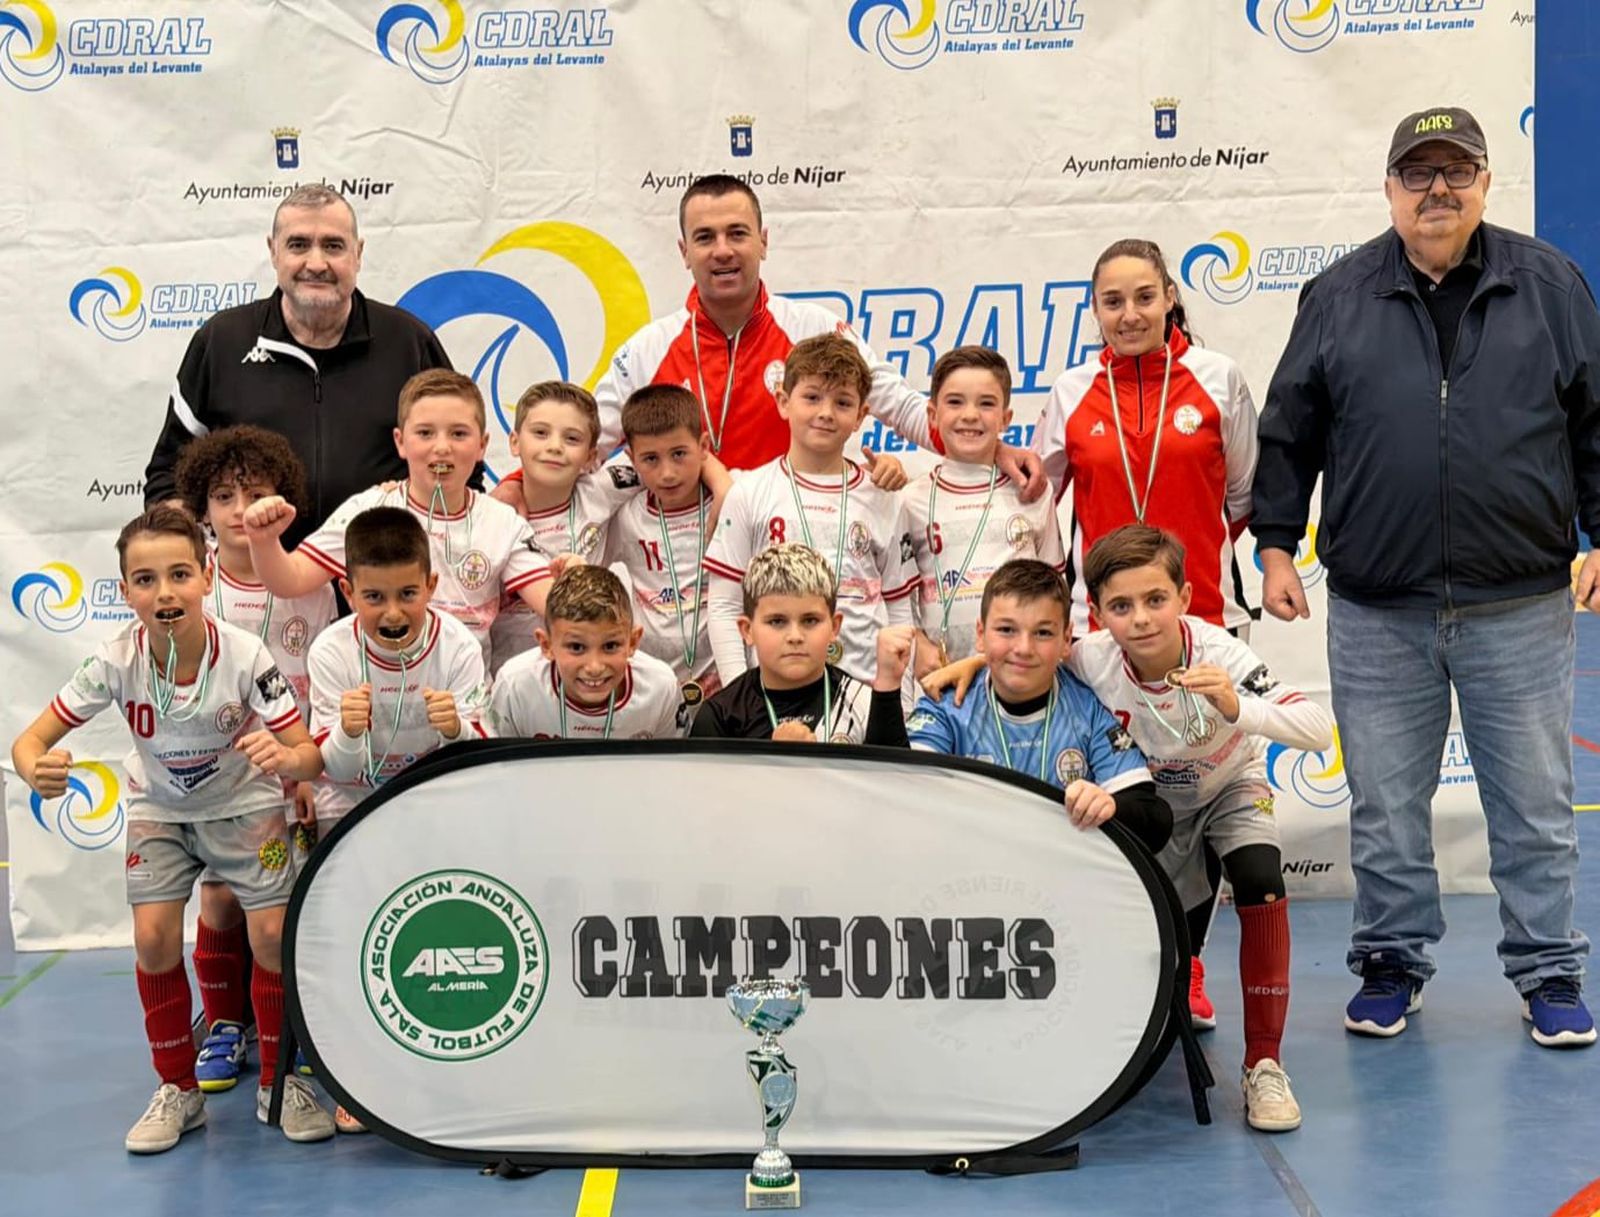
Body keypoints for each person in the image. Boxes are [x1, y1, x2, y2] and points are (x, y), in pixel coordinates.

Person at [1252, 105, 1599, 1047]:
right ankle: (1392, 963)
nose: (1438, 189)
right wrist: (1276, 543)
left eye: (1458, 171)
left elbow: (1595, 419)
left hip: (1519, 601)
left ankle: (1550, 970)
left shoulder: (1551, 284)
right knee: (1387, 805)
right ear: (1391, 187)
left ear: (1486, 183)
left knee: (1531, 803)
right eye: (1419, 173)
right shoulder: (1337, 293)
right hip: (1376, 606)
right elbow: (1289, 431)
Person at [9, 506, 334, 1151]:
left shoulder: (246, 655)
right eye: (146, 579)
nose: (165, 593)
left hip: (245, 810)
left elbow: (308, 753)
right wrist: (36, 770)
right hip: (162, 812)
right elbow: (30, 741)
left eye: (179, 574)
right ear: (125, 590)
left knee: (271, 934)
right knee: (154, 938)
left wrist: (286, 759)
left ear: (207, 575)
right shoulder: (111, 661)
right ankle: (178, 1091)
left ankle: (279, 1082)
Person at [1078, 524, 1333, 1131]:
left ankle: (1264, 1066)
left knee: (1259, 874)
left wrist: (1238, 707)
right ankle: (1171, 982)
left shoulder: (1223, 655)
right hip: (1152, 802)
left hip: (1229, 788)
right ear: (1097, 613)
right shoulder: (1091, 658)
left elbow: (1319, 728)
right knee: (1163, 921)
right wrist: (979, 658)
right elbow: (1026, 657)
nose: (1140, 619)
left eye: (1155, 600)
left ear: (1186, 598)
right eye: (1121, 606)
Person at [588, 174, 1045, 493]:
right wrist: (517, 490)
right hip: (685, 562)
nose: (723, 250)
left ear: (763, 241)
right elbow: (583, 443)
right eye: (705, 238)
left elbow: (900, 405)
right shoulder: (648, 349)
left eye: (737, 233)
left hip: (796, 541)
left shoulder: (815, 329)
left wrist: (992, 449)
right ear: (684, 252)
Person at [144, 185, 452, 545]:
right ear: (273, 252)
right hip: (256, 588)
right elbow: (167, 476)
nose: (316, 263)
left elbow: (462, 467)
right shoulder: (222, 341)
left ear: (359, 253)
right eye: (298, 244)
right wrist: (201, 550)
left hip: (380, 587)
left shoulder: (408, 342)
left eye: (333, 246)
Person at [173, 426, 338, 1094]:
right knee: (217, 900)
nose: (241, 508)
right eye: (223, 495)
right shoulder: (195, 588)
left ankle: (299, 1025)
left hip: (293, 770)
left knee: (298, 904)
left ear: (284, 500)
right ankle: (222, 1024)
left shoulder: (309, 581)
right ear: (201, 509)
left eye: (257, 492)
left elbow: (322, 682)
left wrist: (304, 768)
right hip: (222, 780)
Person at [243, 370, 551, 669]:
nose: (442, 447)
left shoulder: (502, 523)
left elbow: (554, 605)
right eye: (425, 433)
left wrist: (574, 579)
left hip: (463, 705)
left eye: (458, 434)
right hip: (374, 703)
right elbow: (290, 580)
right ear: (400, 442)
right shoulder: (368, 509)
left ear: (482, 445)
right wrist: (264, 540)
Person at [1033, 239, 1258, 635]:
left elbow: (1242, 494)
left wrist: (1194, 547)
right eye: (1114, 302)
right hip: (1101, 622)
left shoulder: (1219, 377)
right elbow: (1036, 497)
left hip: (1206, 615)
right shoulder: (1071, 390)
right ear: (1095, 308)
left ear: (1170, 297)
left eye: (1145, 297)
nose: (1130, 315)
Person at [884, 558, 1172, 856]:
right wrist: (887, 688)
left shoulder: (1087, 705)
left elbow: (1155, 820)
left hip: (1061, 883)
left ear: (1066, 639)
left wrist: (1111, 807)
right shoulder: (949, 705)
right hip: (970, 879)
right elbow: (899, 794)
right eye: (1007, 630)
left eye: (1043, 633)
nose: (1023, 648)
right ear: (980, 635)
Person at [704, 334, 919, 690]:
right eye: (812, 397)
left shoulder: (883, 497)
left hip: (864, 694)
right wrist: (740, 697)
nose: (825, 413)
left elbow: (900, 611)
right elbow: (725, 608)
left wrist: (899, 701)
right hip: (774, 698)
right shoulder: (750, 493)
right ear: (783, 402)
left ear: (862, 415)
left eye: (843, 402)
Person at [488, 381, 728, 673]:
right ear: (514, 442)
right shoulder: (495, 517)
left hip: (590, 676)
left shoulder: (605, 488)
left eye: (572, 438)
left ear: (591, 456)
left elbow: (671, 456)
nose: (554, 446)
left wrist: (722, 485)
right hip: (512, 678)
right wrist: (512, 483)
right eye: (540, 433)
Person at [306, 507, 488, 818]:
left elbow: (475, 761)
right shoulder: (329, 652)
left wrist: (457, 731)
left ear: (430, 586)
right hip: (351, 798)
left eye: (407, 594)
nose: (392, 613)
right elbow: (338, 771)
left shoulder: (459, 647)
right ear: (348, 593)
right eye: (374, 597)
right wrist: (348, 732)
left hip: (434, 792)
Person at [904, 346, 1065, 678]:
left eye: (986, 403)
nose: (970, 415)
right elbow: (898, 596)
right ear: (932, 415)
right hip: (938, 680)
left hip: (1017, 676)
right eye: (955, 402)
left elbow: (1054, 588)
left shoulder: (1031, 491)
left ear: (1006, 418)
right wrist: (917, 640)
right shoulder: (911, 500)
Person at [690, 544, 910, 743]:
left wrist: (888, 690)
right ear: (747, 630)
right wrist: (775, 760)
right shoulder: (720, 716)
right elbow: (708, 789)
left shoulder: (862, 703)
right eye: (777, 621)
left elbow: (893, 786)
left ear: (834, 627)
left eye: (810, 620)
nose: (795, 636)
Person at [603, 385, 734, 718]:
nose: (667, 473)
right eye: (650, 459)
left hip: (727, 684)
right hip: (652, 689)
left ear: (704, 447)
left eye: (679, 454)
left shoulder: (735, 500)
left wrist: (722, 483)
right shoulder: (625, 516)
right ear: (632, 459)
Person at [487, 566, 681, 740]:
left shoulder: (661, 688)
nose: (594, 667)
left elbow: (670, 767)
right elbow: (498, 768)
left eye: (611, 646)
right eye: (577, 647)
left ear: (633, 641)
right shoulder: (515, 686)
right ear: (547, 645)